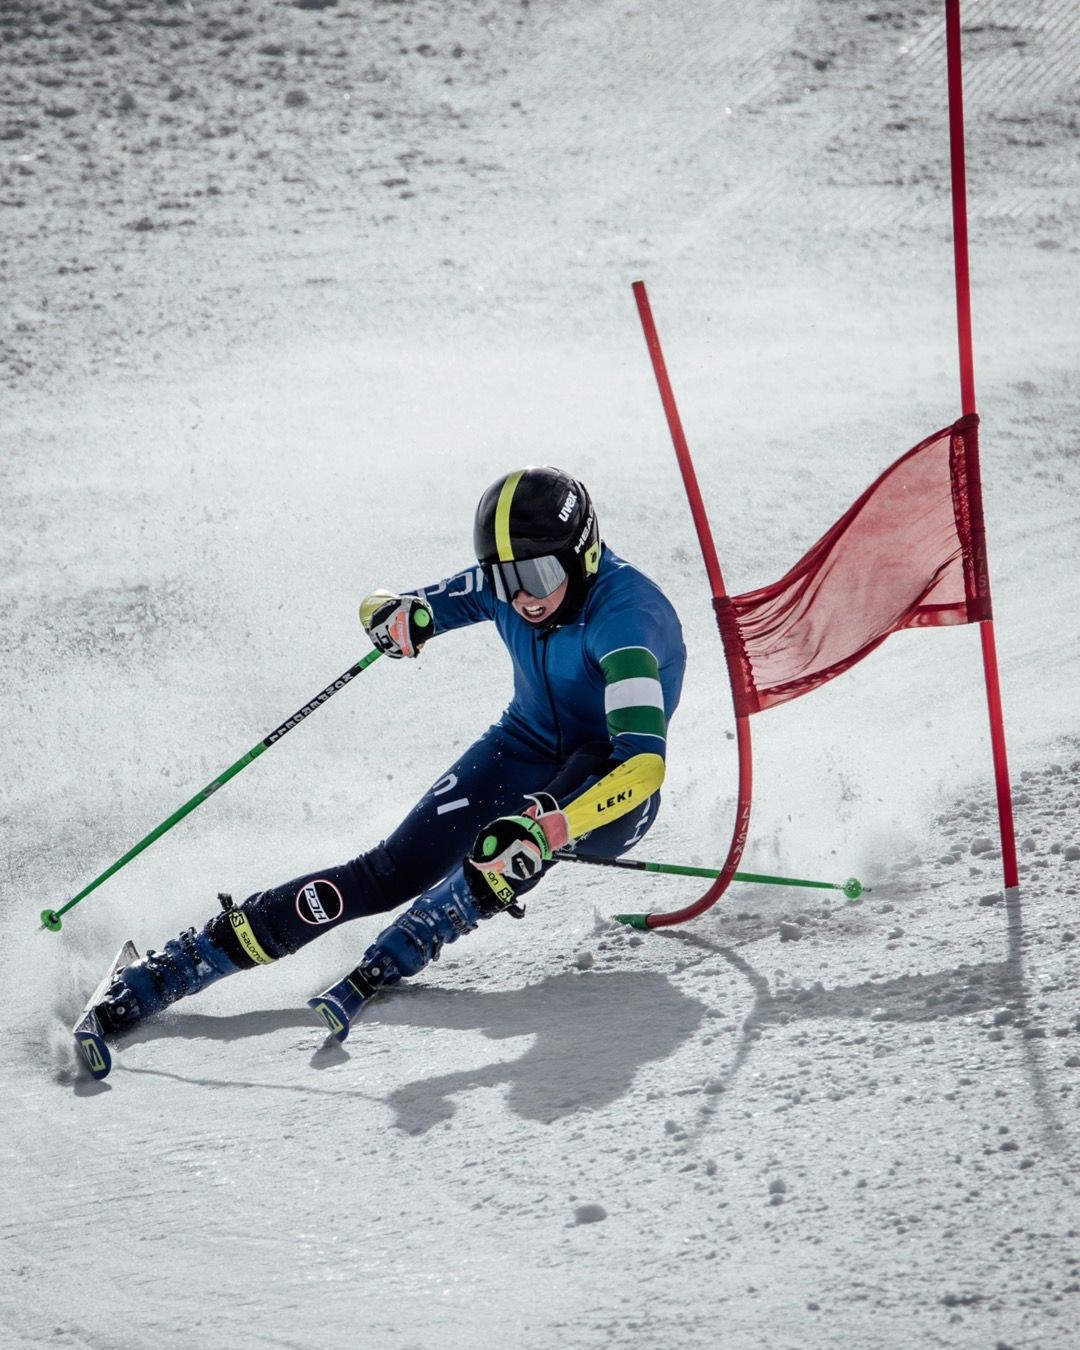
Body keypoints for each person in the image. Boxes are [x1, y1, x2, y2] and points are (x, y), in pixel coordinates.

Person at [92, 466, 686, 1038]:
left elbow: (641, 764)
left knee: (512, 840)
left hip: (612, 793)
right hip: (522, 746)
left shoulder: (628, 622)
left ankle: (423, 932)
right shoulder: (510, 585)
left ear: (583, 554)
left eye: (538, 577)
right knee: (388, 869)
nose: (523, 598)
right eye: (506, 580)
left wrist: (557, 827)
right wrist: (396, 618)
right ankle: (187, 964)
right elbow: (401, 604)